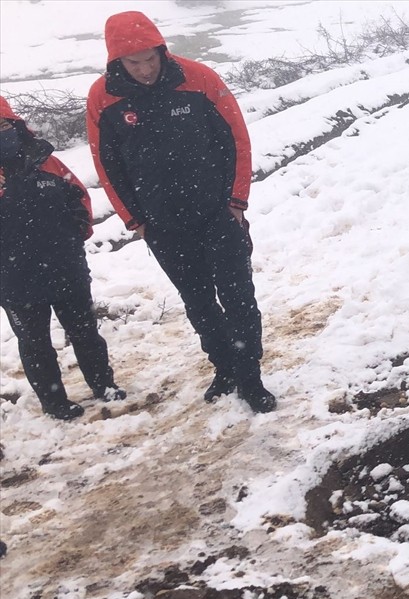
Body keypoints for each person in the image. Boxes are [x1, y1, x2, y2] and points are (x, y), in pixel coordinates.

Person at [86, 11, 275, 413]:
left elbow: (236, 139)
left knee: (239, 297)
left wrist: (237, 202)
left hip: (218, 215)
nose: (144, 69)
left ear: (161, 50)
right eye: (133, 63)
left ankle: (249, 375)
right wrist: (134, 220)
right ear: (116, 62)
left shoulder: (199, 78)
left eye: (150, 59)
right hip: (163, 225)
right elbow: (107, 164)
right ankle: (224, 367)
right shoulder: (103, 98)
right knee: (198, 301)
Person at [0, 96, 125, 420]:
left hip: (64, 267)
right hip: (13, 279)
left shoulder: (43, 159)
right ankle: (54, 403)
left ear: (15, 125)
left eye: (3, 125)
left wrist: (75, 233)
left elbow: (78, 196)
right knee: (34, 343)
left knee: (85, 331)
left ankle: (104, 386)